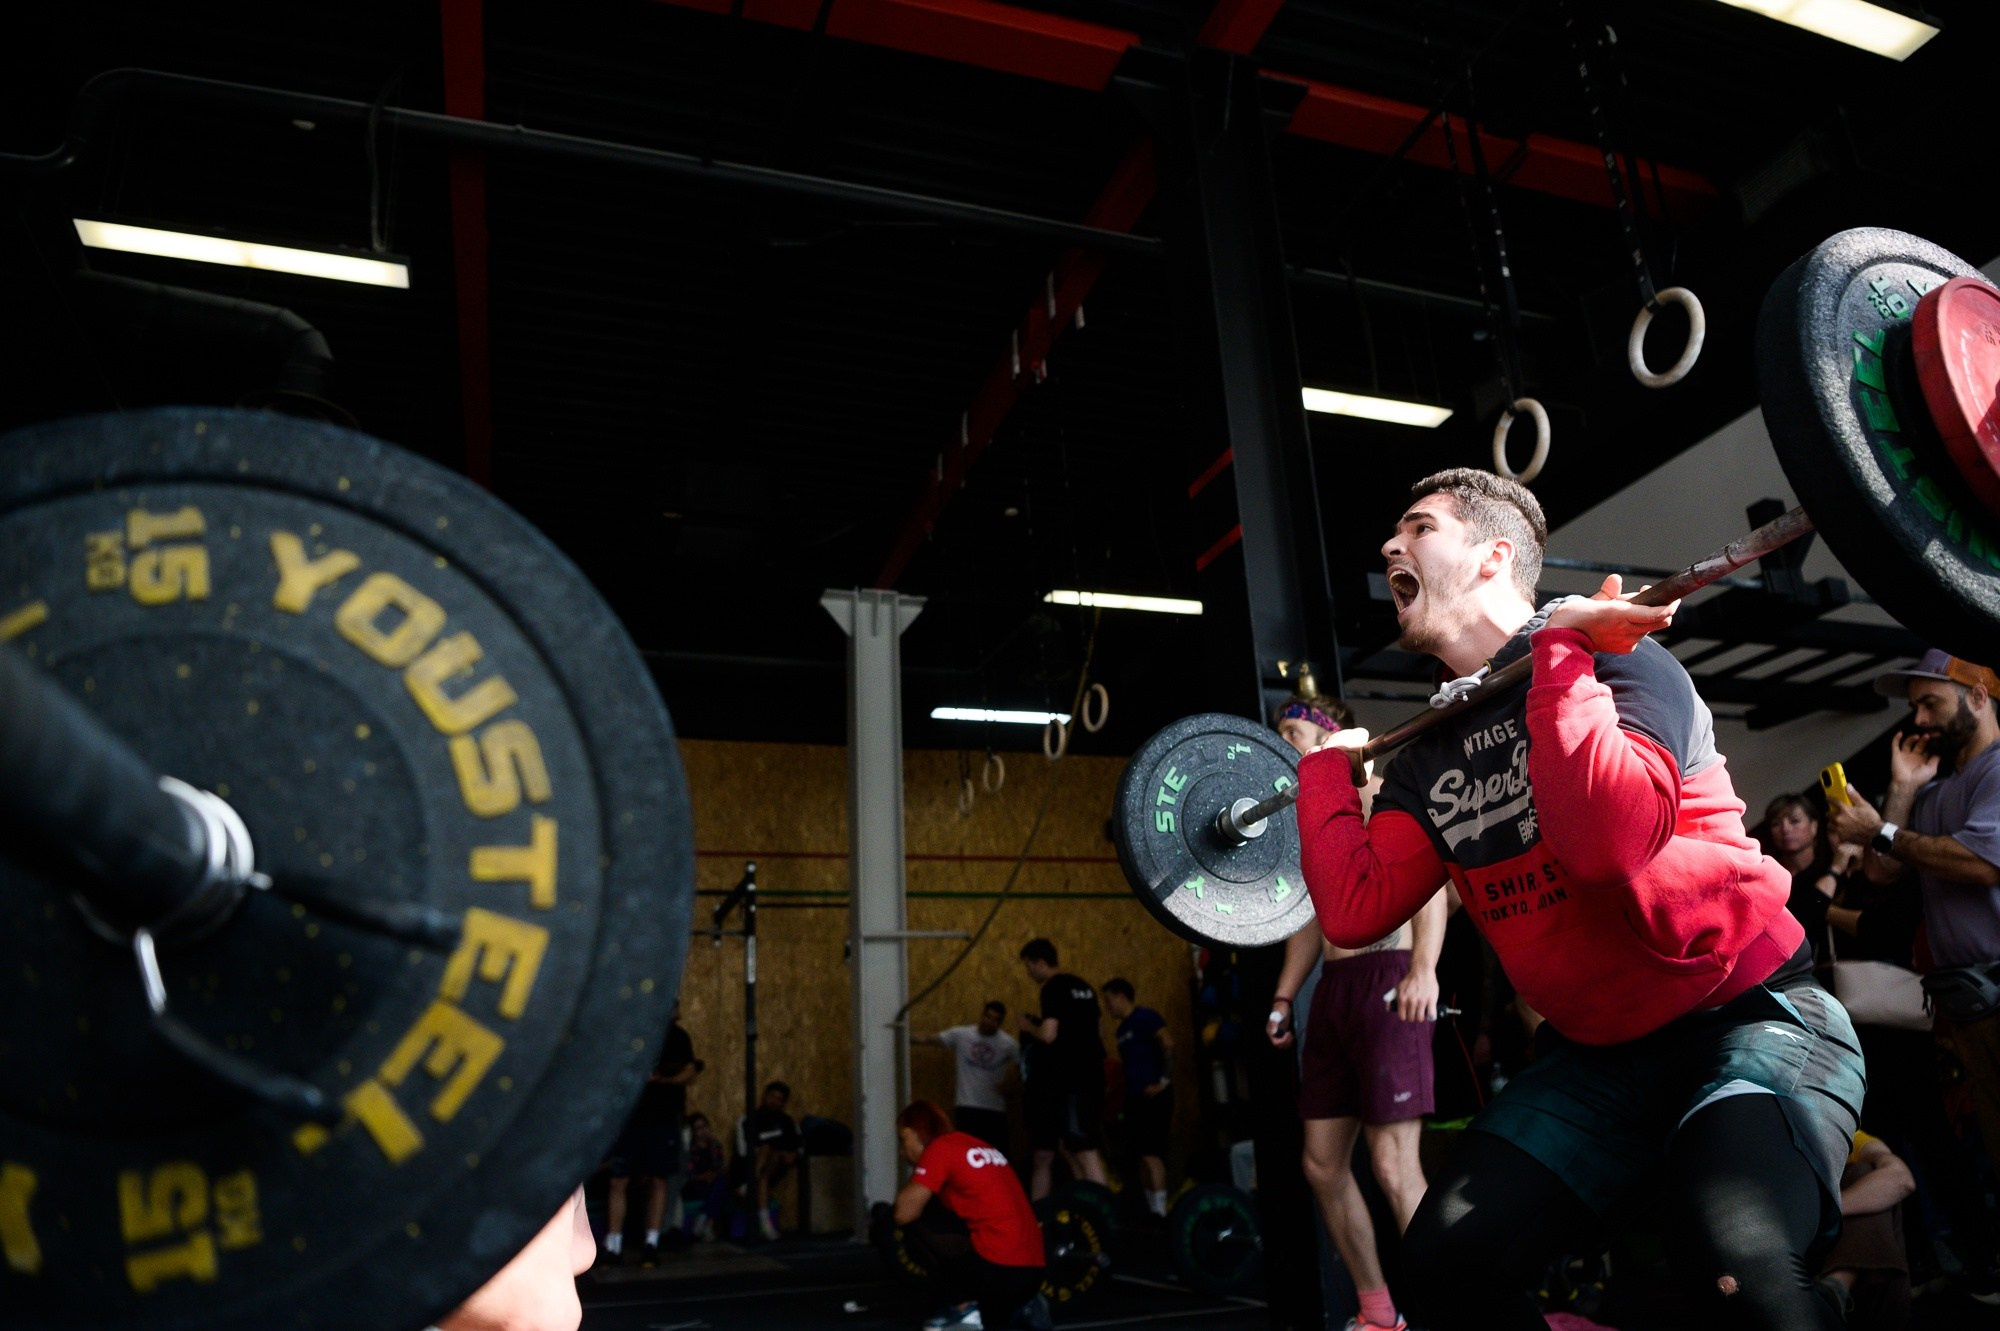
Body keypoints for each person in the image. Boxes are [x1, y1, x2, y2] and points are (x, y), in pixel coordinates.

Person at [1296, 468, 1865, 1331]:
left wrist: (1560, 650)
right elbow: (1354, 905)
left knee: (1738, 1268)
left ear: (1493, 557)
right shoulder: (1425, 758)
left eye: (1418, 527)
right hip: (1597, 1061)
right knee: (1441, 1266)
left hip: (1751, 1019)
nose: (1389, 545)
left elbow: (1606, 846)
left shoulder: (1625, 663)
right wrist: (1325, 774)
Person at [1267, 691, 1447, 1331]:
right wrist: (1286, 996)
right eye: (1281, 732)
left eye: (1295, 732)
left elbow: (1424, 878)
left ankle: (1451, 1312)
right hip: (1335, 990)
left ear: (1330, 734)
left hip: (1388, 977)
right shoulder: (1310, 814)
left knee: (1395, 1167)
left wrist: (1423, 967)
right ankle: (1379, 1313)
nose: (1286, 743)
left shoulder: (1367, 789)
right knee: (1320, 1164)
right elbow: (1310, 920)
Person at [1825, 649, 2000, 1293]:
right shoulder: (1942, 787)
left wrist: (1883, 829)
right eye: (1915, 708)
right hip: (1966, 998)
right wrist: (1899, 790)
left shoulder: (1997, 772)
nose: (1920, 718)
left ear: (1978, 695)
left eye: (1931, 703)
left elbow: (1983, 863)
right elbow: (1882, 872)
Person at [891, 1100, 1049, 1331]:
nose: (902, 1150)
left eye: (903, 1140)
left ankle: (965, 1308)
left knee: (902, 1219)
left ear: (916, 1132)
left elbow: (903, 1214)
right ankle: (1021, 1305)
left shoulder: (940, 1148)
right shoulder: (974, 1145)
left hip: (1001, 1271)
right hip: (1034, 1273)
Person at [602, 1003, 700, 1261]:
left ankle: (651, 1243)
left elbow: (690, 1071)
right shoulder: (633, 1032)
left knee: (659, 1179)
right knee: (618, 1179)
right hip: (631, 1117)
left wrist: (664, 1080)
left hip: (663, 1118)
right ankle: (613, 1244)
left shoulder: (678, 1037)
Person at [1016, 939, 1108, 1199]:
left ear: (1041, 963)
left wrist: (1028, 1028)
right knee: (1075, 1145)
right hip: (1093, 1075)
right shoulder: (1085, 988)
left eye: (1029, 966)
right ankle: (1088, 1206)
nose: (1028, 973)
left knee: (1082, 1147)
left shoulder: (1053, 988)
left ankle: (1105, 1212)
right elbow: (1100, 1032)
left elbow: (1048, 1035)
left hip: (1072, 1078)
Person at [1816, 1132, 1917, 1331]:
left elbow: (1901, 1179)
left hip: (1869, 1292)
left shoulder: (1837, 1131)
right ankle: (1836, 1289)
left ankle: (1836, 1287)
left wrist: (1826, 1214)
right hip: (1806, 1261)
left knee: (1868, 1176)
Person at [1101, 977, 1174, 1218]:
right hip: (1134, 1100)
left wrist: (1163, 1081)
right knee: (1141, 1156)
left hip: (1154, 1097)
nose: (1107, 1006)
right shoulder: (1121, 1030)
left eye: (1109, 1000)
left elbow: (1168, 1044)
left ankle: (1161, 1211)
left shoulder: (1146, 1017)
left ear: (1121, 996)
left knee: (1152, 1154)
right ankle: (1151, 1210)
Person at [915, 1001, 1020, 1150]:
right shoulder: (962, 1035)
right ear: (982, 1015)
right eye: (988, 1017)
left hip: (994, 1108)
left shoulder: (1008, 1044)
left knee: (996, 1154)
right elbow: (930, 1039)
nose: (990, 1022)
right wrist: (901, 1036)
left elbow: (1024, 1065)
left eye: (996, 1020)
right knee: (966, 1152)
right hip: (967, 1105)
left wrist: (1012, 1086)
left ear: (1001, 1022)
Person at [1766, 794, 1839, 966]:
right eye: (1776, 824)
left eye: (1795, 821)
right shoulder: (1774, 881)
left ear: (1814, 826)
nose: (1785, 829)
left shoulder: (1831, 866)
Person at [746, 1080, 802, 1241]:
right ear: (765, 1096)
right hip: (752, 1164)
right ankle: (753, 1179)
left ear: (783, 1102)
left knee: (771, 1157)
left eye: (779, 1098)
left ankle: (751, 1183)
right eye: (772, 1096)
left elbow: (796, 1143)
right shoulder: (753, 1118)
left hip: (776, 1166)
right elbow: (749, 1143)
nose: (774, 1101)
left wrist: (791, 1153)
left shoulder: (786, 1122)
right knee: (765, 1150)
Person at [681, 1112, 727, 1241]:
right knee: (719, 1190)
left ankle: (704, 1222)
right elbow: (688, 1174)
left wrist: (712, 1175)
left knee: (721, 1185)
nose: (702, 1131)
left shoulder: (714, 1145)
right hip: (694, 1185)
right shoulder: (690, 1148)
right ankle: (706, 1225)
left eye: (704, 1127)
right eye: (698, 1128)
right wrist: (703, 1177)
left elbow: (720, 1166)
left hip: (712, 1182)